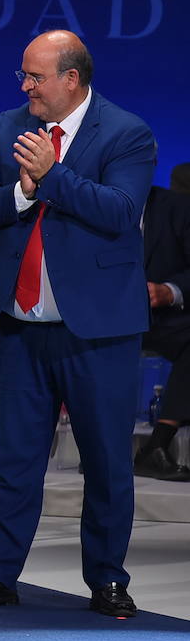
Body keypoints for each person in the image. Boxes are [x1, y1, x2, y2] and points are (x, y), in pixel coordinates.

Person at [0, 30, 154, 617]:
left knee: (106, 461)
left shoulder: (126, 132)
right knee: (14, 460)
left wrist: (51, 177)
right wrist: (20, 196)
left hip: (98, 331)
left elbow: (119, 213)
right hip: (21, 324)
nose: (25, 87)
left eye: (35, 77)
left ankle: (108, 581)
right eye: (23, 75)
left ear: (72, 79)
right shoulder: (8, 124)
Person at [132, 171, 190, 480]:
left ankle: (157, 445)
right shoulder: (90, 204)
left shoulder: (177, 207)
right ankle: (100, 449)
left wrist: (169, 290)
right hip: (98, 318)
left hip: (158, 318)